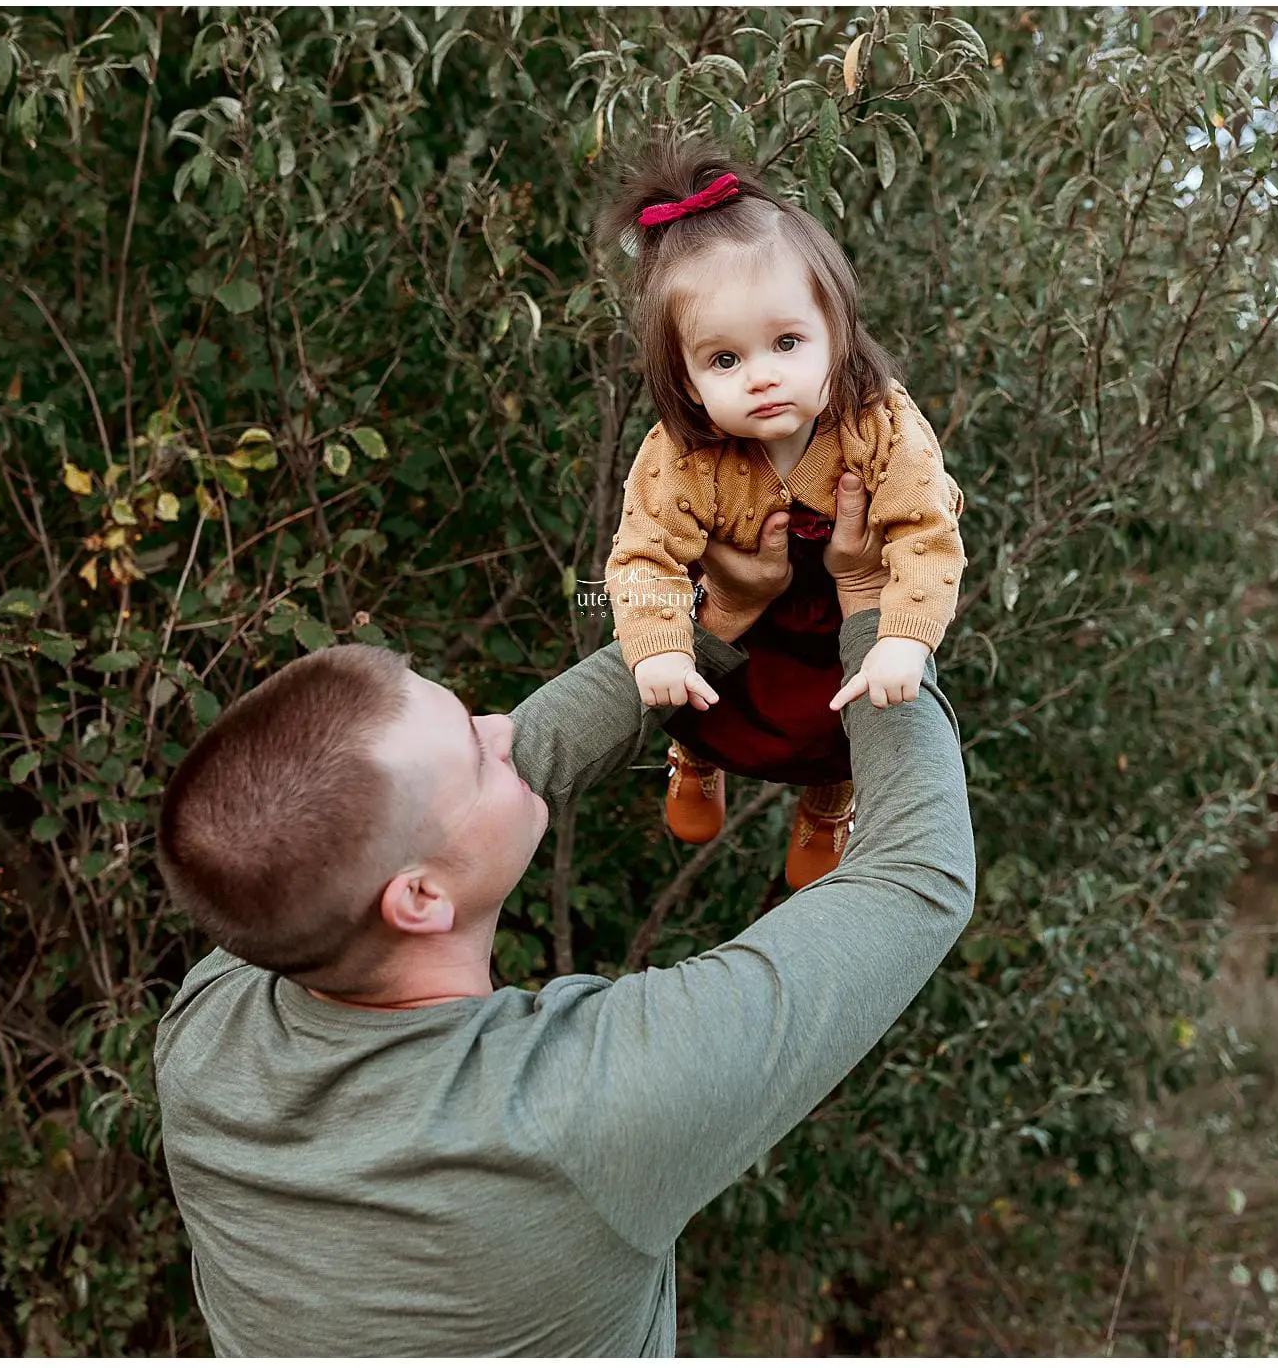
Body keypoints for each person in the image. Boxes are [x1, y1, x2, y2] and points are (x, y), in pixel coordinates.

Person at [150, 472, 976, 1355]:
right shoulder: (576, 1116)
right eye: (475, 748)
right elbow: (914, 875)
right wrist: (874, 614)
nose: (503, 728)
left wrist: (711, 619)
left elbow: (504, 782)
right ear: (418, 899)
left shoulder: (215, 1021)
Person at [599, 135, 968, 890]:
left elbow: (928, 533)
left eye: (788, 342)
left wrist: (905, 638)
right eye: (724, 360)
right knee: (695, 678)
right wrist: (659, 642)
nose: (762, 377)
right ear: (689, 379)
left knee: (850, 706)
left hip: (837, 609)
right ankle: (694, 756)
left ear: (835, 333)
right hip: (740, 610)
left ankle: (829, 800)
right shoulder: (683, 453)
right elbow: (643, 559)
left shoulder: (878, 423)